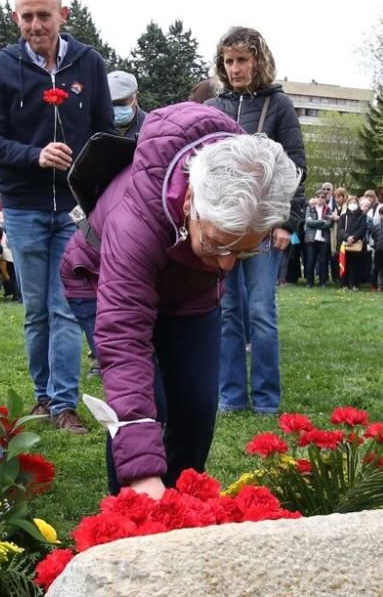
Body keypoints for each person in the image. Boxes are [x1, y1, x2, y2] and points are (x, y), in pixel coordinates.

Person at [60, 103, 300, 498]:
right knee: (146, 399)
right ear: (190, 201)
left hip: (187, 293)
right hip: (99, 277)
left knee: (197, 406)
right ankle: (128, 511)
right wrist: (142, 474)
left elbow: (219, 247)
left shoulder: (244, 175)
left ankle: (183, 508)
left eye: (242, 252)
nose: (225, 264)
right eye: (218, 244)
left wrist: (217, 245)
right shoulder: (135, 223)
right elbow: (124, 342)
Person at [0, 0, 114, 433]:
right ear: (16, 17)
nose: (35, 24)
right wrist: (34, 155)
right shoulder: (0, 67)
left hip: (75, 208)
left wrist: (95, 184)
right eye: (26, 16)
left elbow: (104, 133)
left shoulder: (89, 64)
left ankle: (63, 404)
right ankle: (41, 396)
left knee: (65, 306)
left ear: (63, 15)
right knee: (36, 309)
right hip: (23, 206)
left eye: (44, 15)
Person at [204, 26, 305, 415]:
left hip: (264, 228)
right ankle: (230, 396)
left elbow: (295, 166)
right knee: (228, 313)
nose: (235, 68)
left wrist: (286, 223)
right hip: (224, 229)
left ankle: (266, 400)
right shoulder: (213, 108)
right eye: (229, 61)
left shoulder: (279, 106)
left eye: (242, 59)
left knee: (262, 314)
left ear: (258, 60)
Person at [337, 195, 368, 291]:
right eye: (350, 203)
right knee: (344, 264)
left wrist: (353, 238)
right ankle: (344, 284)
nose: (352, 205)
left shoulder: (362, 216)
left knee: (355, 265)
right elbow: (340, 229)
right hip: (345, 244)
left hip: (357, 244)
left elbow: (362, 228)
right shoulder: (343, 216)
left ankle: (354, 284)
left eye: (354, 203)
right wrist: (347, 237)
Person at [107, 70, 146, 140]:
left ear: (136, 97)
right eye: (111, 104)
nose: (116, 109)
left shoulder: (150, 126)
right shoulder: (95, 128)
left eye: (121, 103)